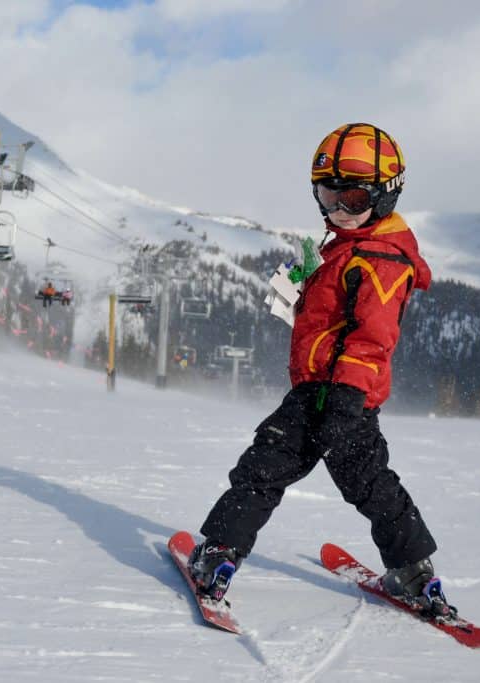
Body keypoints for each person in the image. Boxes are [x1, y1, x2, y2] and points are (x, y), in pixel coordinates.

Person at [188, 123, 450, 615]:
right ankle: (415, 574)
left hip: (332, 395)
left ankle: (218, 555)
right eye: (327, 197)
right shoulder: (352, 247)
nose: (337, 211)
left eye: (351, 198)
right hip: (339, 396)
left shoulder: (380, 260)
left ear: (387, 194)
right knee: (369, 482)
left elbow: (373, 338)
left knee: (263, 469)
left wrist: (345, 398)